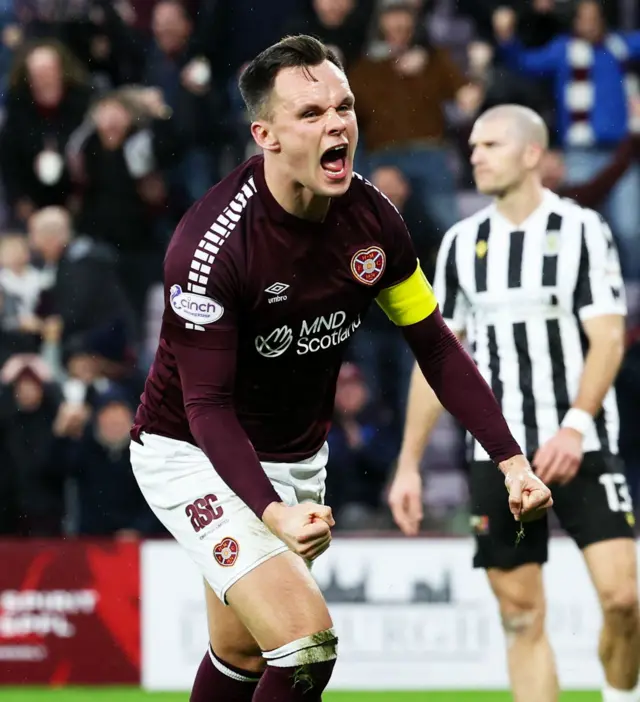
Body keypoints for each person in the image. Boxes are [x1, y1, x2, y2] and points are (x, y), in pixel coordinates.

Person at [129, 38, 552, 702]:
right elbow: (206, 403)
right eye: (311, 112)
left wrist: (510, 459)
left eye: (344, 106)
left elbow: (435, 345)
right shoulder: (211, 246)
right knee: (305, 646)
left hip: (294, 455)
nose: (337, 123)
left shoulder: (372, 219)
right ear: (264, 134)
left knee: (242, 651)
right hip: (193, 450)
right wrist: (268, 510)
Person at [389, 104, 639, 702]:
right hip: (500, 459)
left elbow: (607, 337)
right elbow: (439, 360)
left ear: (531, 154)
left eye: (491, 145)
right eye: (472, 145)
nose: (474, 154)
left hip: (583, 444)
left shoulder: (581, 229)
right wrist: (407, 464)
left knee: (626, 601)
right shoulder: (459, 244)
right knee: (522, 618)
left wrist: (575, 426)